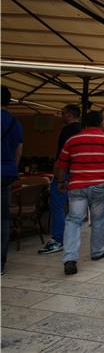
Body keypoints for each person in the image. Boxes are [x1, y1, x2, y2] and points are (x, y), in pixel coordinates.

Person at [55, 111, 104, 275]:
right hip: (101, 184)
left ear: (84, 123)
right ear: (101, 123)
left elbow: (61, 164)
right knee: (98, 219)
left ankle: (70, 258)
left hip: (77, 185)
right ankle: (97, 251)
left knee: (73, 220)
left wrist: (60, 181)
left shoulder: (72, 140)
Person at [37, 105, 82, 254]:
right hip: (78, 174)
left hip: (66, 173)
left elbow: (62, 156)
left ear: (69, 115)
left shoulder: (67, 131)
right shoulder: (82, 130)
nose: (61, 115)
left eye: (62, 113)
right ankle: (69, 237)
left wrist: (59, 176)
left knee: (57, 205)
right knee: (73, 208)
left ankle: (58, 239)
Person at [1, 86, 23, 275]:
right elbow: (19, 149)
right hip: (6, 173)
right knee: (3, 219)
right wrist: (12, 167)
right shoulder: (14, 122)